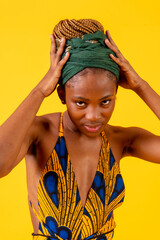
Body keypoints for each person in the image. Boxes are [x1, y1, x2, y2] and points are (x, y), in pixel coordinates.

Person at [0, 19, 160, 240]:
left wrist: (140, 85)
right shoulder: (40, 132)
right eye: (81, 103)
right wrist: (39, 91)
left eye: (105, 102)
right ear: (62, 95)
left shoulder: (120, 140)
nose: (94, 116)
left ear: (116, 94)